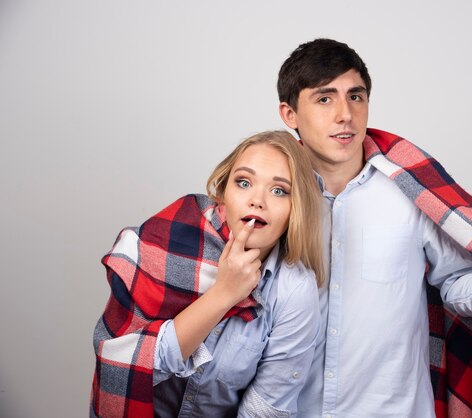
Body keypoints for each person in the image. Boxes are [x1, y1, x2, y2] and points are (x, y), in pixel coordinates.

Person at [276, 39, 472, 418]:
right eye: (324, 99)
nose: (345, 114)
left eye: (355, 96)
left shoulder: (410, 191)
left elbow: (454, 285)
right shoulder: (271, 198)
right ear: (290, 114)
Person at [91, 130, 325, 417]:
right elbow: (131, 367)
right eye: (244, 182)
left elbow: (264, 410)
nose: (257, 200)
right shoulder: (174, 238)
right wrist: (224, 294)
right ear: (224, 194)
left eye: (279, 191)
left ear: (296, 208)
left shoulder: (294, 290)